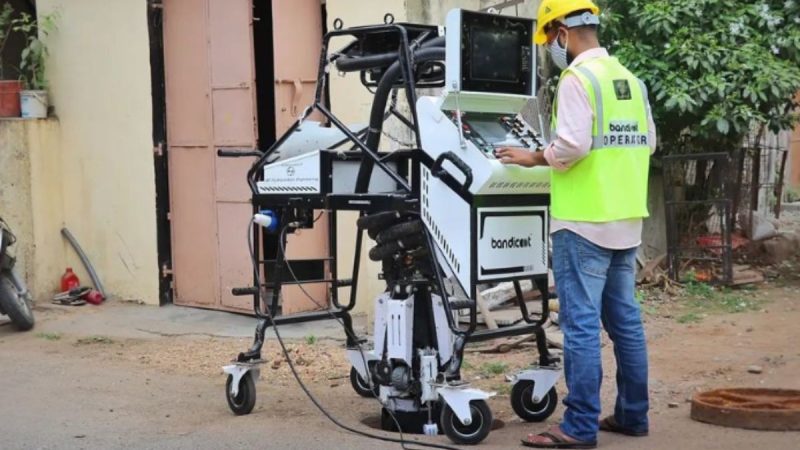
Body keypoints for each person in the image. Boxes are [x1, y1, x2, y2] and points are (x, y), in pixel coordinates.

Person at [495, 0, 656, 448]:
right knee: (625, 322)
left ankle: (579, 427)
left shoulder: (576, 79)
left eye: (549, 38)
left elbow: (571, 146)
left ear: (563, 31)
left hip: (583, 224)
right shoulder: (629, 79)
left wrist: (531, 156)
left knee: (581, 326)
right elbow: (649, 142)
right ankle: (632, 415)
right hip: (626, 221)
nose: (550, 47)